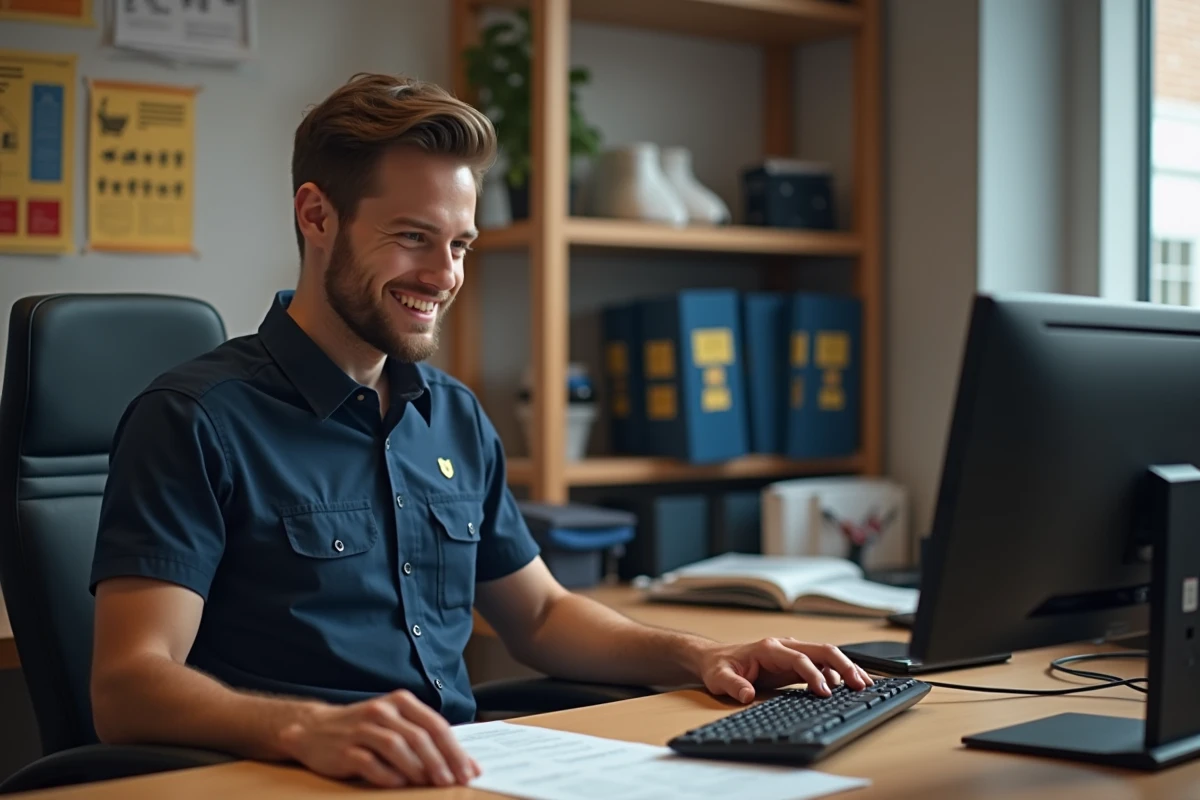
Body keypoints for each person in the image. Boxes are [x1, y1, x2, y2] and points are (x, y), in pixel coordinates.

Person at [88, 73, 873, 790]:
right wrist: (306, 727)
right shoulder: (196, 420)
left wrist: (702, 655)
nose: (444, 275)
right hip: (291, 777)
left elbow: (538, 617)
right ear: (316, 215)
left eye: (458, 243)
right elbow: (127, 687)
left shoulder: (452, 415)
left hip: (462, 771)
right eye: (411, 237)